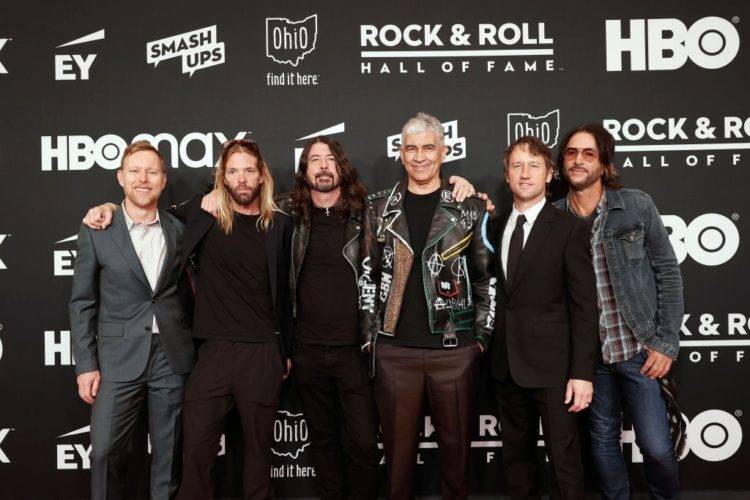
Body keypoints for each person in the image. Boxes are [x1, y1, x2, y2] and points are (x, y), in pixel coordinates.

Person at [82, 139, 293, 499]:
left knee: (257, 457)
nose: (241, 179)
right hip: (210, 352)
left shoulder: (280, 225)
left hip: (261, 352)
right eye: (232, 171)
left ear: (261, 176)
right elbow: (143, 211)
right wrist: (107, 209)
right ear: (222, 178)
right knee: (193, 454)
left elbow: (288, 293)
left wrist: (283, 350)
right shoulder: (201, 213)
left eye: (248, 171)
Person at [359, 112, 495, 499]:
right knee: (398, 467)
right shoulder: (377, 208)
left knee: (457, 461)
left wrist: (479, 340)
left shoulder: (470, 208)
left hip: (454, 352)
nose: (419, 157)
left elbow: (486, 277)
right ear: (401, 153)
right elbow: (365, 278)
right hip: (394, 352)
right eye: (411, 148)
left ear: (444, 152)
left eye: (428, 148)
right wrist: (372, 340)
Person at [554, 124, 684, 500]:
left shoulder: (636, 205)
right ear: (562, 163)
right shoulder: (554, 218)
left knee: (658, 448)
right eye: (571, 153)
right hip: (589, 359)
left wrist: (665, 342)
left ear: (604, 163)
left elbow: (668, 274)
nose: (578, 161)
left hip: (638, 350)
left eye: (588, 154)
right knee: (603, 445)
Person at [70, 140, 196, 500]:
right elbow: (82, 302)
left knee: (169, 456)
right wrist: (85, 364)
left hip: (170, 356)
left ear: (163, 179)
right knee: (106, 451)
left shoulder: (178, 229)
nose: (144, 178)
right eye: (135, 171)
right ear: (121, 178)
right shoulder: (97, 228)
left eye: (152, 172)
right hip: (116, 358)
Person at [491, 135, 598, 500]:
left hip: (555, 370)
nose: (524, 174)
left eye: (534, 165)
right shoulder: (495, 226)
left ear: (550, 174)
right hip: (506, 366)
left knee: (565, 463)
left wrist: (582, 373)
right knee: (516, 464)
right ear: (506, 175)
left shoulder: (570, 229)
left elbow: (585, 306)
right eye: (516, 166)